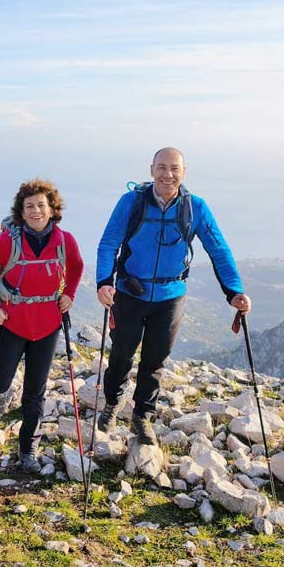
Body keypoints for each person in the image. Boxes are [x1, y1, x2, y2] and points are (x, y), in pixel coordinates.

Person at [96, 147, 251, 446]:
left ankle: (142, 415)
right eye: (162, 167)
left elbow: (219, 249)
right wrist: (104, 282)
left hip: (170, 296)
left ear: (183, 172)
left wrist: (234, 291)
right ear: (151, 169)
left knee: (155, 361)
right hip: (129, 293)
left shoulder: (196, 208)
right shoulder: (132, 202)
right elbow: (108, 243)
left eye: (174, 168)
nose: (168, 174)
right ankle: (112, 404)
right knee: (121, 356)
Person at [0, 179, 84, 472]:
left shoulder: (64, 241)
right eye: (29, 207)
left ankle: (28, 451)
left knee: (35, 392)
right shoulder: (7, 242)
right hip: (12, 322)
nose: (36, 211)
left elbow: (76, 266)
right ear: (21, 213)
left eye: (41, 205)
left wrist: (69, 294)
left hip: (47, 325)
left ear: (52, 210)